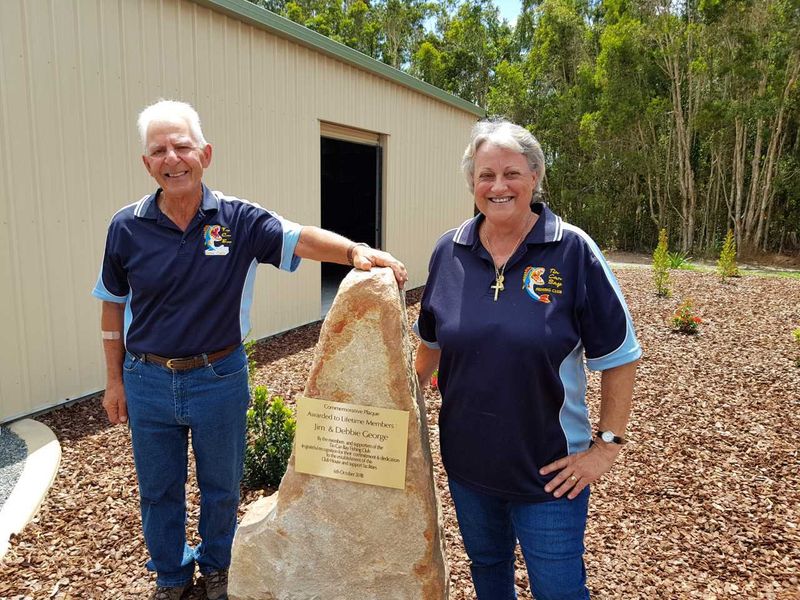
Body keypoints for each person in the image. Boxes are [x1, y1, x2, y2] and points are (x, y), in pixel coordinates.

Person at [92, 99, 407, 600]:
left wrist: (353, 251)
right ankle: (171, 576)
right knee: (158, 491)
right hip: (147, 380)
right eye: (159, 150)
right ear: (146, 163)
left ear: (205, 154)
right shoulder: (125, 227)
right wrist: (113, 381)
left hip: (218, 377)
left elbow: (298, 238)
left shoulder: (236, 220)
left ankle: (218, 566)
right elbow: (112, 307)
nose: (172, 158)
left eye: (182, 146)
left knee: (221, 488)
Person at [414, 119, 641, 600]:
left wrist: (606, 446)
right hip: (469, 467)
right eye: (485, 175)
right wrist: (398, 401)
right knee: (488, 570)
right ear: (472, 183)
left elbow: (620, 354)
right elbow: (430, 344)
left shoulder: (572, 249)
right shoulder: (448, 251)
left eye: (511, 173)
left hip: (551, 475)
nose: (498, 186)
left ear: (534, 176)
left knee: (558, 588)